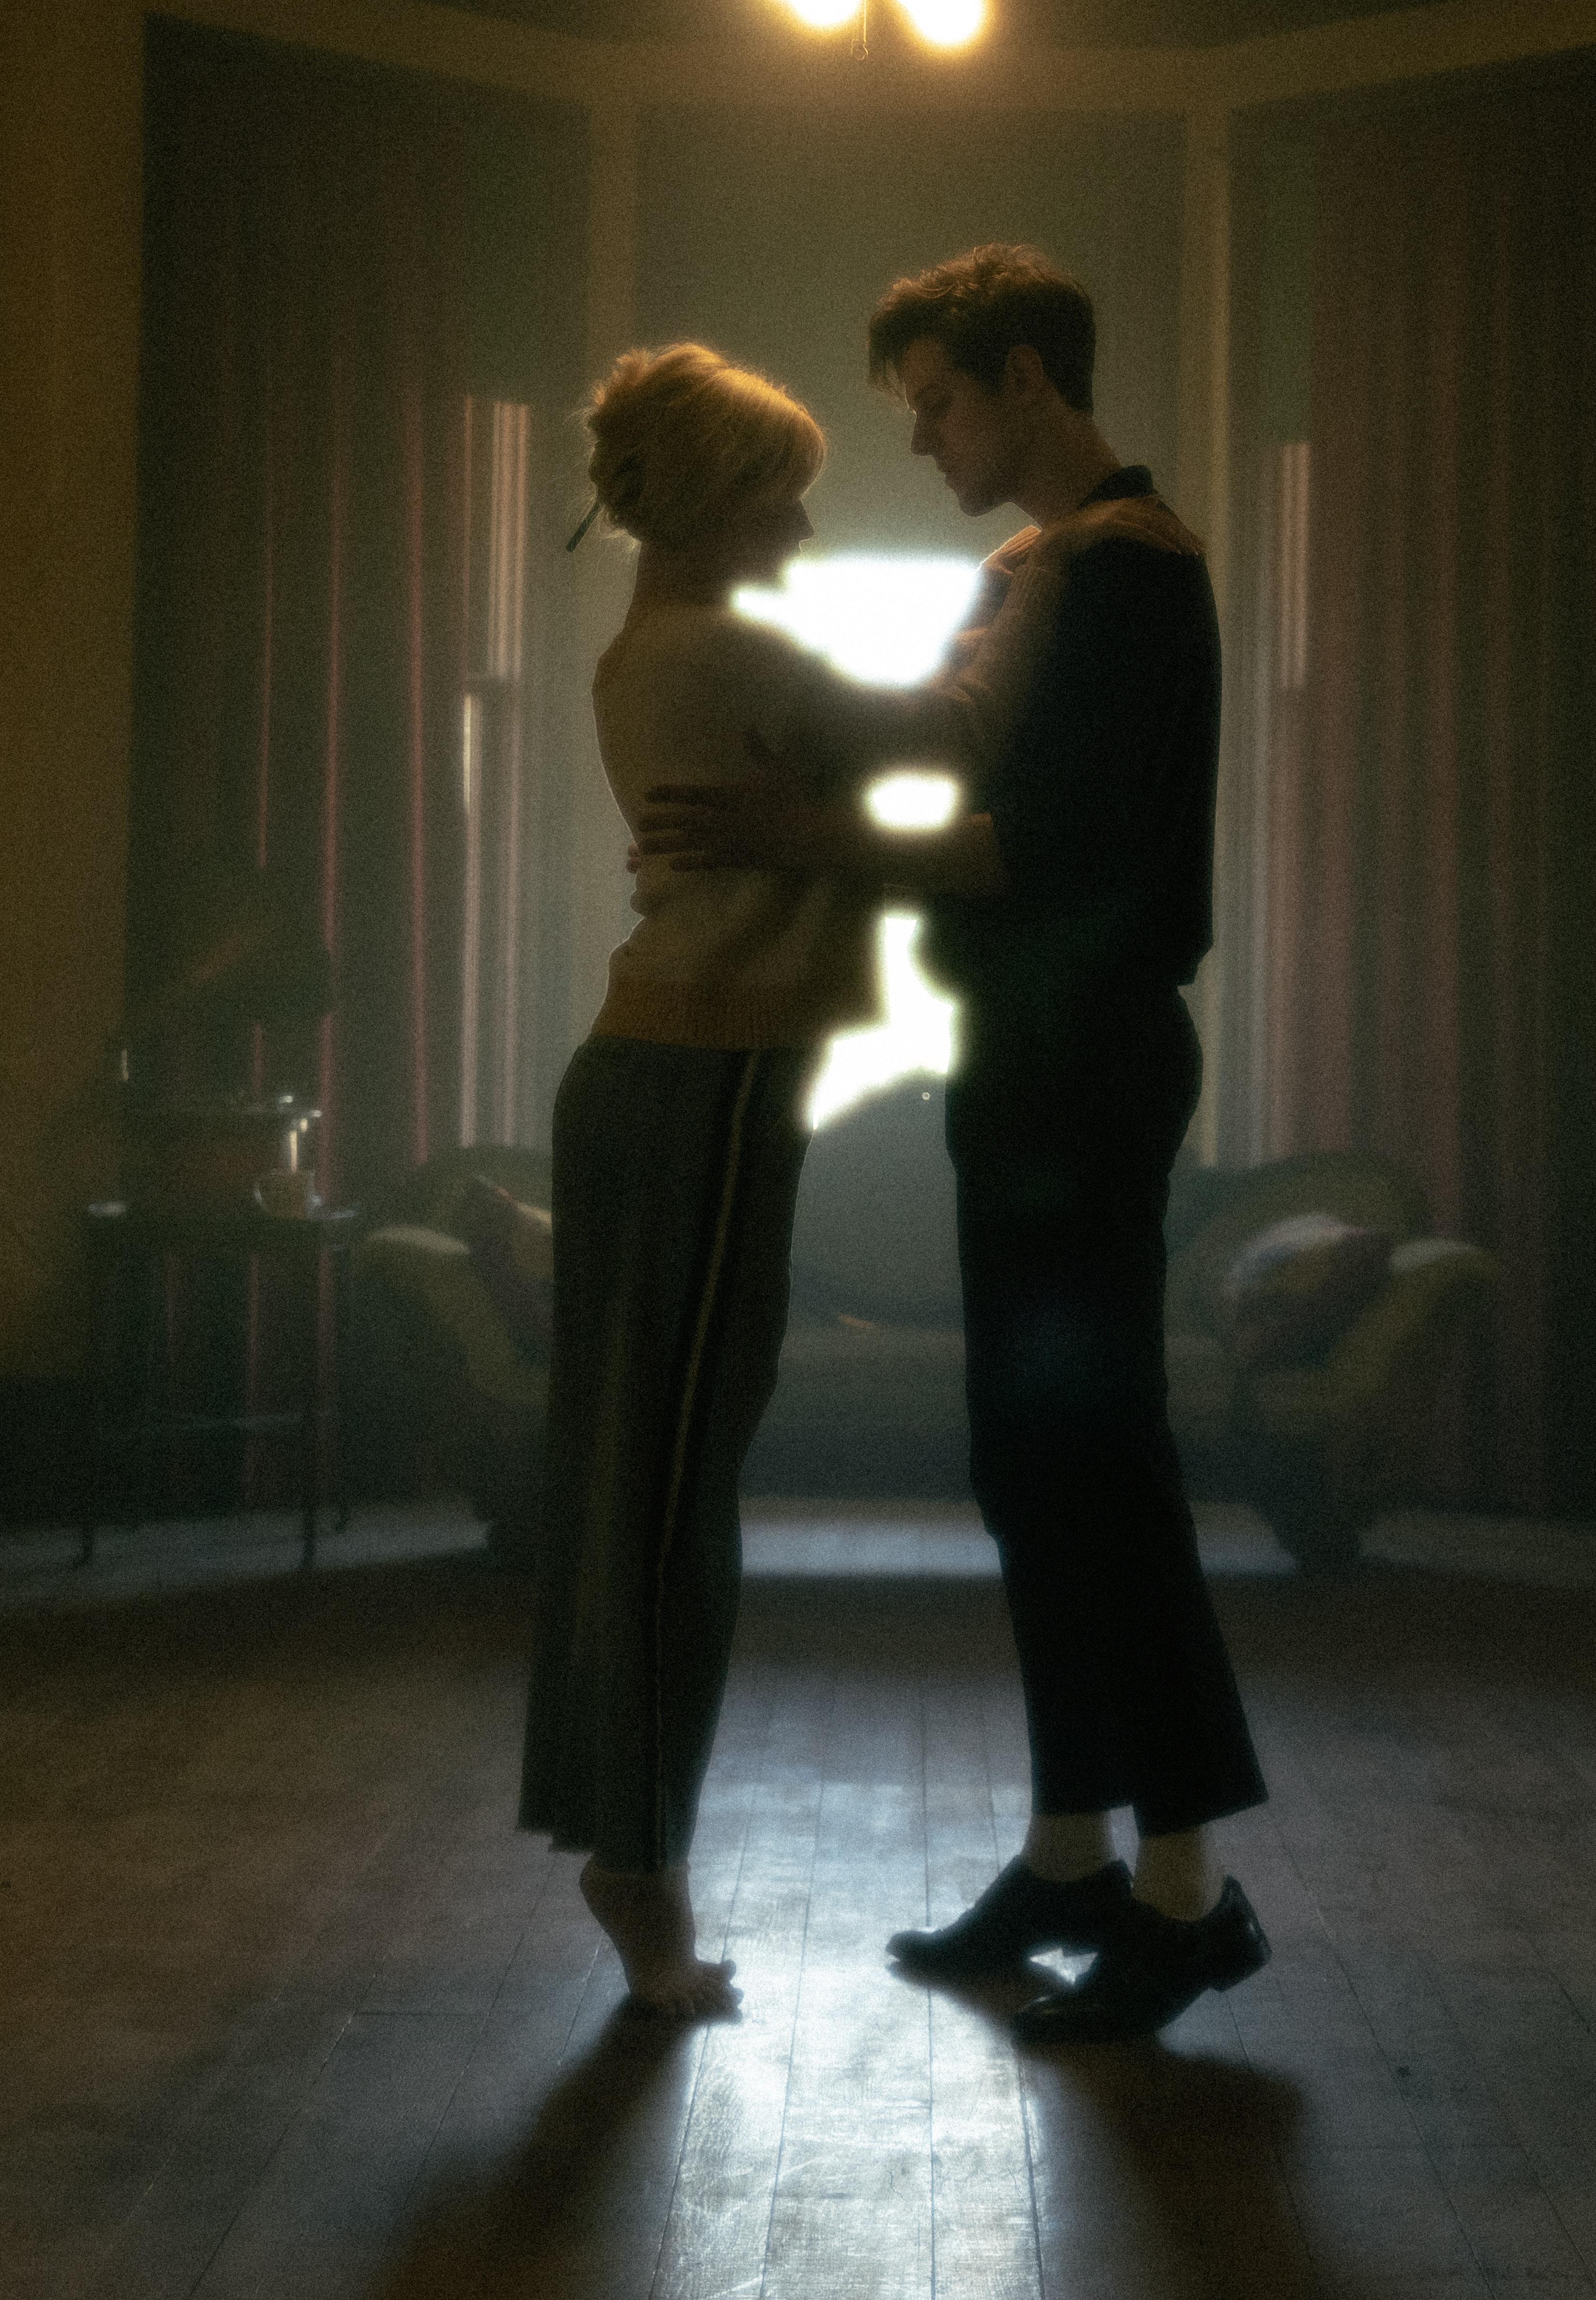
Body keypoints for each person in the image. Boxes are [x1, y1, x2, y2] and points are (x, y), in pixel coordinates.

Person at [641, 248, 1270, 2045]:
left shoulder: (1135, 575)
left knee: (1102, 1466)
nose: (916, 440)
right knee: (1028, 1460)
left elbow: (1036, 852)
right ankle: (1073, 1854)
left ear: (1021, 377)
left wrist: (794, 838)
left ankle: (1185, 1893)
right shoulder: (1042, 572)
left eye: (933, 403)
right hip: (1027, 1055)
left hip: (1085, 1059)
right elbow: (932, 757)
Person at [520, 343, 1098, 2018]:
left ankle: (631, 1860)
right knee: (672, 1502)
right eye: (785, 487)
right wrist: (1036, 568)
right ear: (717, 503)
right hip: (694, 1090)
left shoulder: (659, 648)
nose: (808, 517)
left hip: (678, 1083)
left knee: (650, 1489)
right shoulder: (735, 655)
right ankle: (639, 1879)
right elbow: (958, 732)